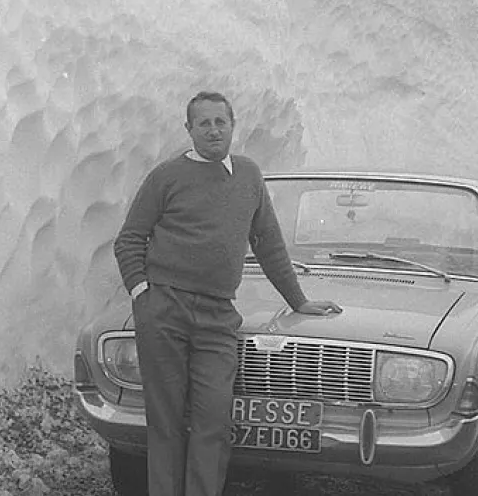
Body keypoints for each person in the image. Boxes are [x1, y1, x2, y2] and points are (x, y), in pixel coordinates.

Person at [113, 91, 342, 496]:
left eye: (221, 122)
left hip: (218, 316)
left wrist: (298, 300)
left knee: (213, 422)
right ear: (189, 130)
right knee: (165, 423)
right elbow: (129, 239)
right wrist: (142, 293)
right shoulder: (166, 176)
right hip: (164, 309)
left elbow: (268, 242)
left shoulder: (250, 176)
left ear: (233, 126)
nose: (214, 130)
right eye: (204, 123)